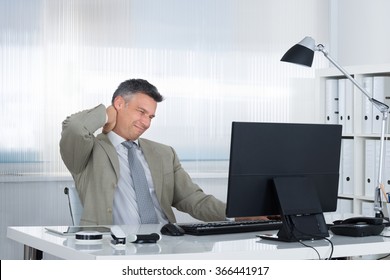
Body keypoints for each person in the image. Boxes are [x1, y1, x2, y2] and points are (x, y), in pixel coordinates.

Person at [60, 78, 227, 225]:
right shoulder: (87, 151)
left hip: (165, 242)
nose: (146, 123)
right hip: (115, 247)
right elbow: (74, 127)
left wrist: (237, 215)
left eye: (151, 117)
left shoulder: (164, 154)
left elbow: (193, 199)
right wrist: (107, 113)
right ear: (119, 104)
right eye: (141, 112)